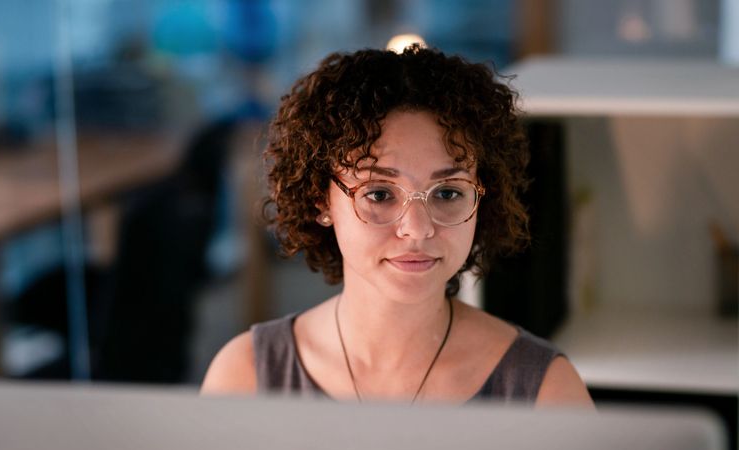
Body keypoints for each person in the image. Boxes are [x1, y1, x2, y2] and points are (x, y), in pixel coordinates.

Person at [201, 45, 594, 407]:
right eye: (379, 194)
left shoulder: (547, 393)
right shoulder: (244, 378)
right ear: (321, 199)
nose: (417, 229)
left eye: (447, 193)